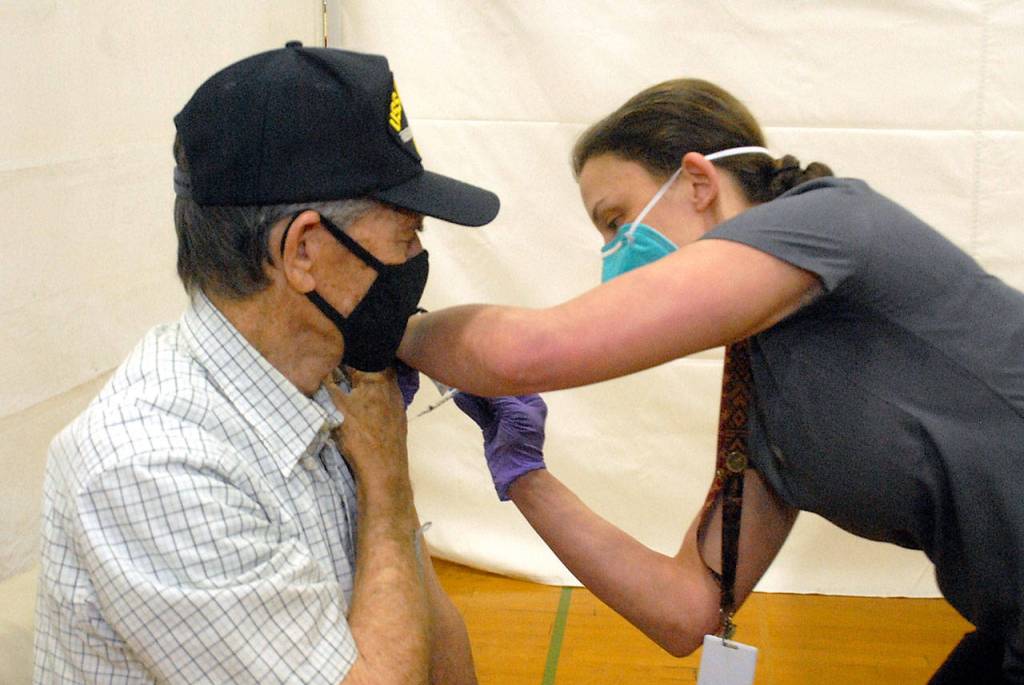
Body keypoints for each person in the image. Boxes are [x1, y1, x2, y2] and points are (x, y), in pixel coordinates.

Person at [398, 78, 1024, 683]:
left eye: (618, 220)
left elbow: (528, 352)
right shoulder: (765, 395)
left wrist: (386, 328)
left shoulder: (831, 221)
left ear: (699, 182)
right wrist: (524, 475)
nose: (615, 254)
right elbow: (686, 611)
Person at [33, 41, 500, 685]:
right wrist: (389, 489)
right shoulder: (152, 466)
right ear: (305, 250)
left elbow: (442, 665)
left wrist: (387, 484)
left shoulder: (331, 387)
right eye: (407, 232)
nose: (417, 256)